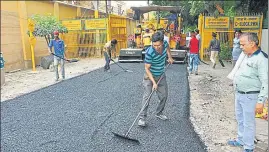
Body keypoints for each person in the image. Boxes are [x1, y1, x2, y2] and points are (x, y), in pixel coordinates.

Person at [227, 33, 268, 152]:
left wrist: (260, 102)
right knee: (240, 119)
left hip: (251, 96)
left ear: (252, 43)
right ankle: (241, 139)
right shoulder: (245, 55)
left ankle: (248, 147)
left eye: (243, 44)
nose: (241, 47)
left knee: (248, 122)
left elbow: (265, 82)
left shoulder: (261, 59)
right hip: (239, 93)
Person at [138, 31, 174, 127]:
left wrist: (169, 57)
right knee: (147, 96)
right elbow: (147, 68)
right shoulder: (150, 52)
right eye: (154, 45)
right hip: (149, 76)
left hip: (161, 75)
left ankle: (159, 113)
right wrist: (154, 83)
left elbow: (167, 48)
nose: (156, 47)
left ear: (162, 42)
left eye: (158, 45)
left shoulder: (165, 44)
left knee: (164, 96)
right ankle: (142, 118)